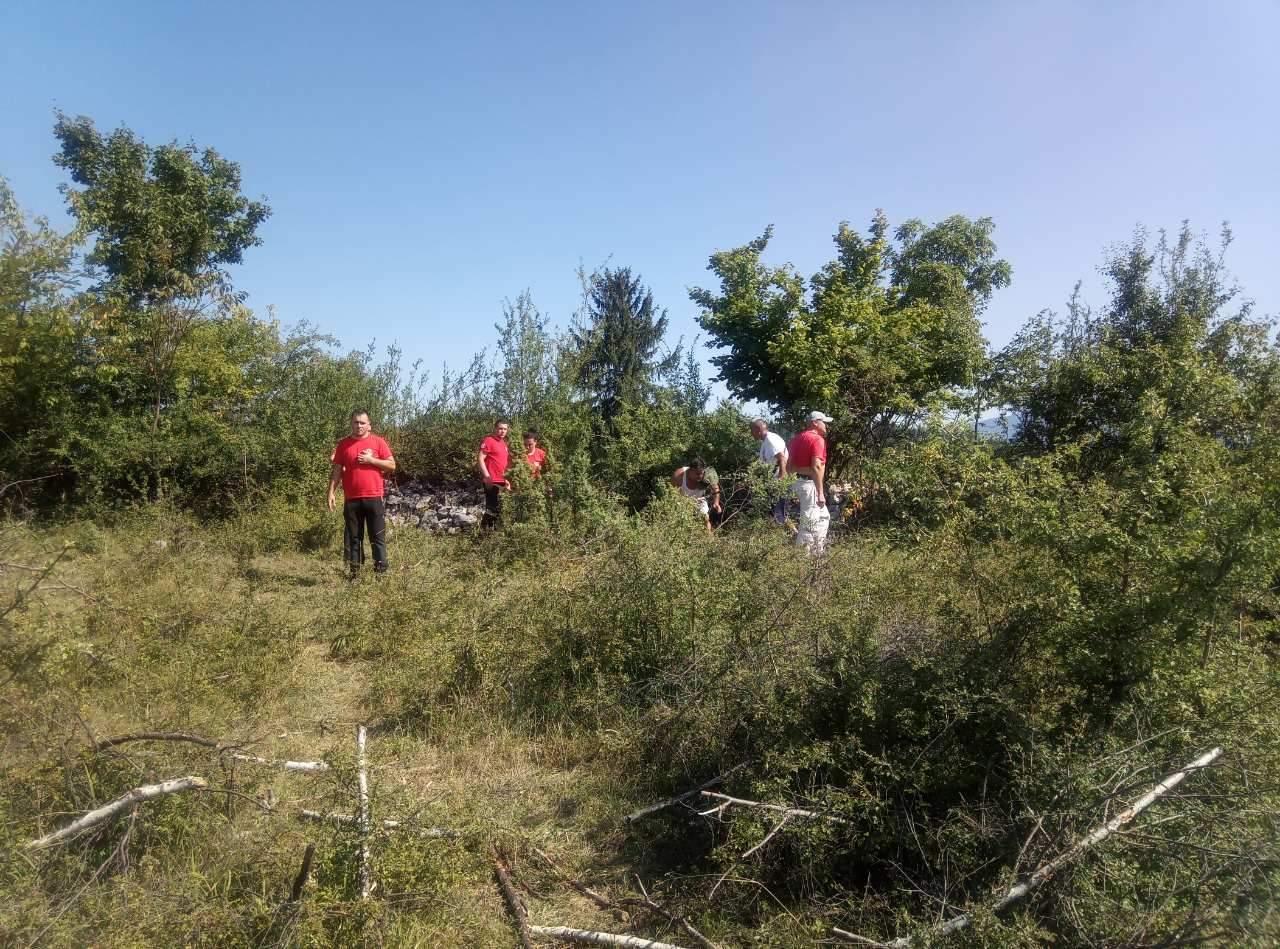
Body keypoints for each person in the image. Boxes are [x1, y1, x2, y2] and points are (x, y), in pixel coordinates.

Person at [327, 410, 396, 575]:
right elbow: (337, 471)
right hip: (352, 500)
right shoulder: (343, 444)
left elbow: (392, 465)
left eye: (362, 423)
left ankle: (381, 575)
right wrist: (330, 492)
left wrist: (371, 460)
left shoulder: (378, 442)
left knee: (377, 539)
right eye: (356, 422)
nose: (359, 425)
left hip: (373, 498)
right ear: (351, 424)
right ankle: (354, 576)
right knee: (354, 539)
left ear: (369, 425)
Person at [787, 410, 832, 555]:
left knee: (823, 517)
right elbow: (816, 466)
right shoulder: (817, 439)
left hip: (796, 482)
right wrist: (820, 493)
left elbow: (789, 467)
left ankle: (817, 553)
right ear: (815, 423)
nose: (826, 425)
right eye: (823, 422)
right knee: (808, 524)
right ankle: (803, 559)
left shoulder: (795, 439)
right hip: (809, 486)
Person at [750, 417, 789, 524]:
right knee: (774, 514)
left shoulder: (771, 440)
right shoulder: (766, 441)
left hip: (777, 484)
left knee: (778, 515)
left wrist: (781, 480)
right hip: (773, 483)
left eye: (751, 430)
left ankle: (781, 537)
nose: (751, 433)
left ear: (757, 429)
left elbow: (781, 458)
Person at [672, 457, 721, 533]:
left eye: (702, 473)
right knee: (682, 523)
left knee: (705, 519)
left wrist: (716, 503)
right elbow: (672, 493)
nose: (700, 476)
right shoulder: (679, 475)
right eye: (697, 474)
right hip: (682, 500)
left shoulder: (708, 475)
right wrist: (683, 502)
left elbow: (715, 488)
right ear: (690, 470)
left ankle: (709, 540)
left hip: (699, 499)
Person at [478, 418, 511, 529]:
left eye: (505, 429)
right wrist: (487, 476)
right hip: (492, 480)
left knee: (501, 509)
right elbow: (480, 458)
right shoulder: (489, 440)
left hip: (502, 481)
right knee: (492, 508)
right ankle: (483, 533)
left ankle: (493, 533)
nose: (502, 431)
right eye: (500, 428)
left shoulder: (504, 443)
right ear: (495, 428)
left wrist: (507, 479)